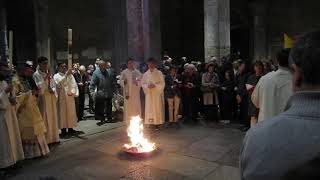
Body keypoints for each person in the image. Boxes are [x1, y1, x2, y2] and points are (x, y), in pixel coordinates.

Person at [240, 30, 320, 180]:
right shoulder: (287, 79)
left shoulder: (256, 137)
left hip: (266, 128)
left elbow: (255, 101)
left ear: (297, 74)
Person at [14, 61, 49, 158]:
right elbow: (16, 96)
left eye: (31, 72)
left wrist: (35, 92)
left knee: (37, 130)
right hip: (24, 110)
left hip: (33, 107)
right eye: (29, 72)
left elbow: (35, 92)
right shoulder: (15, 81)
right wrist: (28, 94)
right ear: (23, 71)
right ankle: (28, 154)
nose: (30, 74)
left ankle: (39, 151)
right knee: (28, 131)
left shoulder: (28, 79)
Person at [251, 49, 293, 122]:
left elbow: (255, 101)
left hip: (265, 126)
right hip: (287, 127)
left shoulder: (264, 79)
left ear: (277, 61)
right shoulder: (296, 81)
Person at [0, 62, 24, 169]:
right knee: (4, 141)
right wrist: (5, 92)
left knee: (13, 138)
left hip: (10, 114)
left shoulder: (5, 82)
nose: (5, 71)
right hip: (2, 116)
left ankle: (14, 160)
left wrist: (13, 98)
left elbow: (12, 97)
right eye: (3, 69)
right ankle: (5, 165)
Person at [33, 57, 60, 144]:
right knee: (45, 118)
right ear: (39, 64)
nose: (46, 65)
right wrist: (45, 79)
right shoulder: (36, 74)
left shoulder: (48, 73)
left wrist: (53, 89)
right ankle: (46, 140)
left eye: (47, 63)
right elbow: (38, 87)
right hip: (43, 99)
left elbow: (53, 85)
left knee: (52, 117)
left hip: (50, 98)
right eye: (44, 63)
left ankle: (53, 138)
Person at [54, 63, 79, 137]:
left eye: (65, 66)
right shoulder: (56, 76)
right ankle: (63, 130)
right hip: (62, 97)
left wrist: (73, 92)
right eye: (62, 66)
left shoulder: (70, 75)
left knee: (70, 113)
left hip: (69, 96)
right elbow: (58, 84)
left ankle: (71, 128)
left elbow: (74, 84)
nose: (64, 68)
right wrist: (65, 75)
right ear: (58, 67)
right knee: (63, 114)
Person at [141, 58, 165, 129]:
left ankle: (158, 123)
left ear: (155, 64)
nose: (151, 65)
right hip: (149, 94)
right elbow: (143, 84)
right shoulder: (145, 74)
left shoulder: (159, 73)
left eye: (152, 63)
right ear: (148, 64)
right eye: (149, 63)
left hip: (156, 94)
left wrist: (155, 86)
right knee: (150, 108)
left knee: (157, 107)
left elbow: (162, 83)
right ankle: (151, 123)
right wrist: (147, 86)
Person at [90, 60, 115, 126]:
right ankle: (102, 118)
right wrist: (92, 92)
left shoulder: (109, 72)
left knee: (109, 105)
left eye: (105, 65)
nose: (104, 67)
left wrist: (114, 90)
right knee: (101, 106)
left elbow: (112, 82)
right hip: (101, 92)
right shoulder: (96, 73)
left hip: (108, 92)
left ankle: (109, 117)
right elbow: (92, 83)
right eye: (102, 66)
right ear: (99, 66)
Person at [120, 58, 142, 124]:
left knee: (136, 107)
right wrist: (124, 81)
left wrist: (137, 83)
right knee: (128, 107)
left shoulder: (137, 72)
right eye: (129, 63)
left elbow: (141, 81)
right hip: (128, 93)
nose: (130, 64)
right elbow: (120, 81)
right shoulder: (124, 72)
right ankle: (128, 122)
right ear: (127, 64)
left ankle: (137, 121)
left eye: (132, 63)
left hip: (135, 93)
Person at [246, 61, 264, 127]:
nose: (258, 69)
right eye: (257, 67)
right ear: (254, 68)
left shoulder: (265, 78)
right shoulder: (251, 78)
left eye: (260, 68)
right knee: (253, 122)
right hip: (253, 103)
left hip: (262, 103)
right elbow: (248, 89)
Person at [235, 60, 250, 131]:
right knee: (242, 111)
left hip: (246, 96)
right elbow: (238, 85)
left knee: (246, 111)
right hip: (240, 95)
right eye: (240, 66)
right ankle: (244, 124)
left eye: (242, 66)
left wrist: (241, 96)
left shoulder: (248, 75)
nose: (240, 67)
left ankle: (247, 125)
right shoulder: (239, 75)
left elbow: (248, 87)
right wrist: (238, 94)